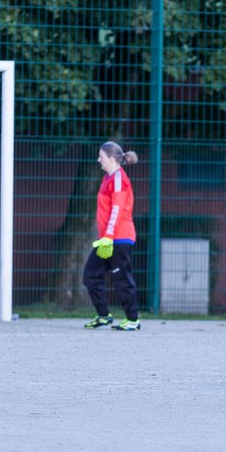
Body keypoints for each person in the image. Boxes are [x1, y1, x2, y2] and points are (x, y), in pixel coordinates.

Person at [83, 141, 141, 331]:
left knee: (122, 279)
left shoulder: (118, 178)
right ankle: (103, 315)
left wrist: (107, 236)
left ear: (111, 158)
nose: (98, 159)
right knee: (91, 275)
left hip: (119, 237)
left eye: (101, 156)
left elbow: (117, 209)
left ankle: (133, 320)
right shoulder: (108, 178)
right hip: (108, 238)